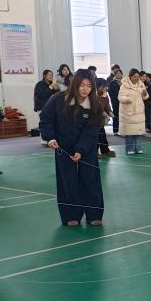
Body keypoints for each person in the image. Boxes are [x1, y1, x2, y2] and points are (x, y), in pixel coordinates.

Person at [39, 69, 107, 227]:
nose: (85, 89)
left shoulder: (95, 105)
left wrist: (80, 150)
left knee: (91, 179)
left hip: (87, 148)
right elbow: (46, 119)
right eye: (82, 85)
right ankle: (70, 215)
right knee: (67, 181)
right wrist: (50, 138)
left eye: (89, 86)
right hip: (63, 147)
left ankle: (94, 214)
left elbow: (92, 130)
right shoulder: (58, 99)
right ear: (75, 84)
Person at [117, 68, 149, 156]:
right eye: (134, 76)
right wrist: (127, 99)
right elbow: (120, 97)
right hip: (128, 111)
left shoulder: (141, 84)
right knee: (130, 132)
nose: (136, 78)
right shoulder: (124, 85)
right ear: (130, 76)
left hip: (139, 111)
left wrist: (145, 93)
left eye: (138, 76)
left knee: (138, 131)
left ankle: (138, 148)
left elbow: (145, 97)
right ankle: (130, 148)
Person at [94, 76, 116, 158]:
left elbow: (107, 105)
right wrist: (102, 112)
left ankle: (105, 151)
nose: (105, 88)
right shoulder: (92, 95)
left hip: (100, 120)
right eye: (103, 86)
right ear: (98, 86)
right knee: (95, 137)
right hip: (92, 119)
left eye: (106, 86)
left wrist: (110, 112)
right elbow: (94, 107)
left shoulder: (104, 94)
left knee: (102, 135)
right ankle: (94, 152)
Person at [108, 65, 124, 134]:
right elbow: (110, 92)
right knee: (116, 115)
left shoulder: (124, 82)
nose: (119, 74)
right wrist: (114, 98)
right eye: (117, 73)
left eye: (120, 73)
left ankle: (122, 129)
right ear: (115, 74)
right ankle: (116, 129)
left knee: (123, 115)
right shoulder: (112, 82)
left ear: (122, 74)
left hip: (123, 101)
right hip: (115, 101)